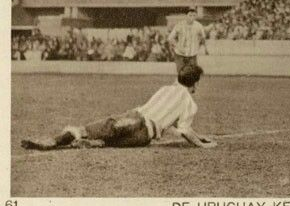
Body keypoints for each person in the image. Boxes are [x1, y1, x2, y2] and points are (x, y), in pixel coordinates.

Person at [21, 64, 216, 150]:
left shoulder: (166, 88)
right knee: (108, 142)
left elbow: (181, 128)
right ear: (195, 83)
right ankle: (95, 143)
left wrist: (198, 137)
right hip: (144, 137)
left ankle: (57, 140)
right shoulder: (190, 104)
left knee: (93, 130)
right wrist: (201, 143)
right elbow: (183, 130)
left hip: (134, 118)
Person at [168, 8, 209, 74]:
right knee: (181, 74)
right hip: (180, 54)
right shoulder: (179, 25)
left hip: (192, 54)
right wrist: (178, 46)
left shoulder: (198, 26)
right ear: (186, 16)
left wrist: (203, 48)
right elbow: (170, 38)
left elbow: (203, 37)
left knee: (193, 74)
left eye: (194, 15)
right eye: (190, 15)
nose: (192, 17)